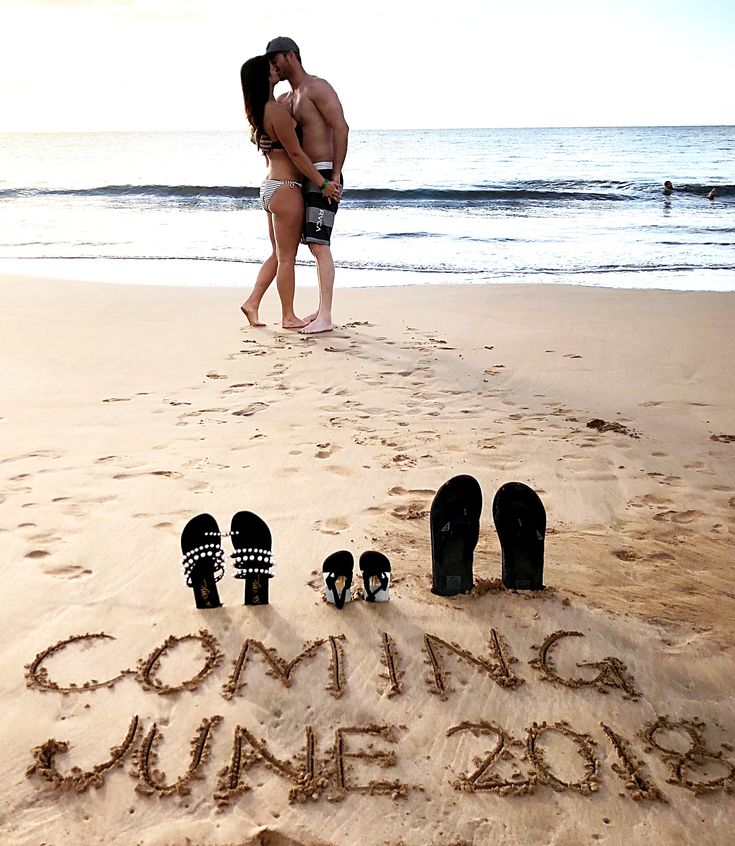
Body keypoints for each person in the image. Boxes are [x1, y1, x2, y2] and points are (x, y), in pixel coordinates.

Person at [239, 54, 341, 329]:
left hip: (269, 187)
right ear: (263, 77)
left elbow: (260, 138)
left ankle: (252, 303)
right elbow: (296, 154)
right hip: (286, 188)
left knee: (277, 254)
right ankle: (288, 316)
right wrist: (323, 184)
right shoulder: (277, 111)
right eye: (270, 69)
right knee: (287, 258)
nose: (275, 71)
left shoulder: (260, 111)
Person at [264, 36, 349, 335]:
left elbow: (341, 126)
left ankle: (325, 315)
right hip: (305, 179)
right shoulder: (285, 101)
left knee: (319, 244)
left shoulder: (317, 87)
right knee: (312, 245)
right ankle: (321, 310)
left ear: (290, 56)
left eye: (275, 61)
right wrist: (262, 140)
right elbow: (270, 126)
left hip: (324, 173)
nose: (272, 67)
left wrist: (335, 175)